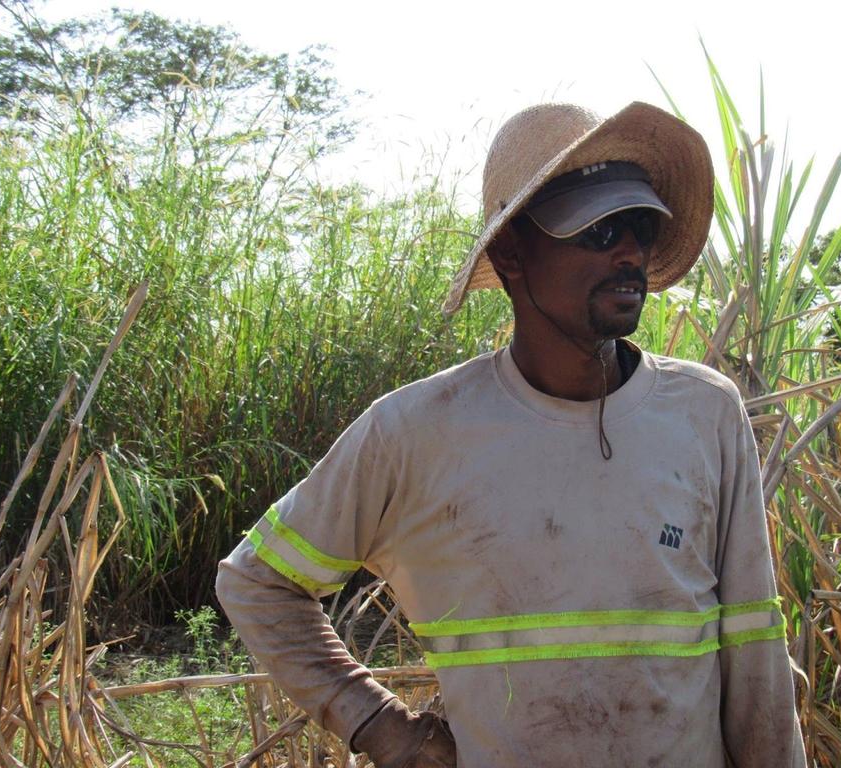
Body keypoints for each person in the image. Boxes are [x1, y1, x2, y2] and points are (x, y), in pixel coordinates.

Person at [216, 101, 808, 768]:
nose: (630, 251)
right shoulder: (417, 432)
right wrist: (383, 728)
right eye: (599, 228)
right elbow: (257, 583)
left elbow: (756, 649)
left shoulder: (705, 414)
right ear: (511, 252)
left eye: (639, 225)